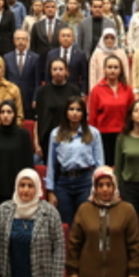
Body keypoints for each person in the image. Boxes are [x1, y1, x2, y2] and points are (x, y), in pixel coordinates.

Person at [66, 166, 139, 277]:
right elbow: (74, 243)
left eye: (109, 185)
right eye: (101, 185)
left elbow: (134, 244)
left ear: (115, 187)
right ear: (95, 187)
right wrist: (72, 271)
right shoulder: (84, 209)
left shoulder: (126, 210)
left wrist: (134, 272)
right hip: (88, 276)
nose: (105, 189)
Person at [45, 96, 105, 224]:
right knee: (65, 223)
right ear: (66, 112)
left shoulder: (93, 134)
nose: (75, 113)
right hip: (64, 183)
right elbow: (51, 164)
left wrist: (98, 188)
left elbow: (99, 165)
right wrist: (50, 191)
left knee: (86, 222)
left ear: (83, 113)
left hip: (85, 181)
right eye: (71, 109)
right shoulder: (56, 134)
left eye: (78, 110)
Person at [0, 100, 33, 220]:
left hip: (17, 191)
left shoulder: (23, 134)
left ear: (14, 114)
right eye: (2, 112)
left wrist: (28, 188)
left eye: (9, 112)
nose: (5, 115)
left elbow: (28, 165)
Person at [88, 54, 134, 166]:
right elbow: (92, 117)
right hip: (103, 136)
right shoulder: (97, 90)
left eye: (115, 67)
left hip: (123, 134)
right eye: (109, 67)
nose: (112, 70)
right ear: (104, 69)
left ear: (120, 70)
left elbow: (132, 113)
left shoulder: (127, 90)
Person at [34, 58, 82, 161]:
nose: (58, 72)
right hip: (47, 139)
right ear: (50, 71)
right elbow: (38, 118)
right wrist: (37, 142)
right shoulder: (42, 91)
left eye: (61, 69)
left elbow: (80, 116)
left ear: (66, 71)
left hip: (70, 138)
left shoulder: (74, 90)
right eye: (54, 69)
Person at [3, 30, 41, 120]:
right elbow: (5, 79)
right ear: (14, 41)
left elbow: (37, 81)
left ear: (28, 41)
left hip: (28, 96)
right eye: (18, 39)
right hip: (10, 97)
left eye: (23, 39)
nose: (20, 41)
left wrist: (35, 98)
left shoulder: (35, 58)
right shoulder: (7, 57)